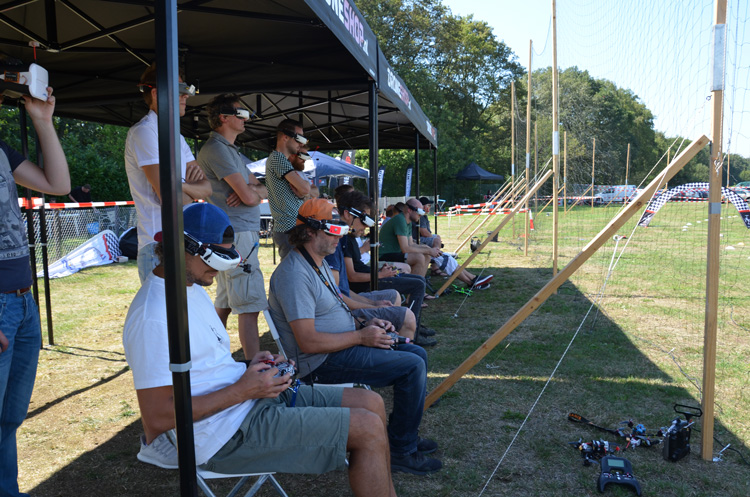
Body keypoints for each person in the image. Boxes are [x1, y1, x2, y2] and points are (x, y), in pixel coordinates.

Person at [124, 203, 397, 497]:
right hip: (223, 436)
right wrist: (244, 390)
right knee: (366, 428)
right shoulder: (154, 315)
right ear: (184, 247)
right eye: (215, 258)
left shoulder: (190, 288)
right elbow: (156, 419)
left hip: (246, 405)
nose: (218, 270)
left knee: (371, 403)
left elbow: (206, 370)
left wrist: (253, 366)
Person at [268, 198, 442, 475]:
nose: (341, 235)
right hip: (320, 361)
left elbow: (338, 301)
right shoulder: (294, 275)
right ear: (310, 232)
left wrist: (367, 318)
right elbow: (308, 342)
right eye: (333, 230)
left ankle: (402, 437)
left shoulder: (316, 262)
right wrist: (362, 337)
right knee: (412, 366)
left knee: (417, 354)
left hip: (342, 345)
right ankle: (401, 450)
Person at [0, 89, 70, 497]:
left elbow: (57, 184)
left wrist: (43, 120)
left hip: (22, 302)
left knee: (8, 420)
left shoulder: (2, 151)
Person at [124, 62, 211, 283]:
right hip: (158, 244)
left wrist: (177, 186)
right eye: (181, 90)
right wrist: (181, 190)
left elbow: (207, 188)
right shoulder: (144, 132)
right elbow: (173, 199)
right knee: (164, 317)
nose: (187, 96)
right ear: (156, 93)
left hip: (182, 242)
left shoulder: (177, 137)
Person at [197, 94, 268, 360]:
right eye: (241, 113)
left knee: (226, 303)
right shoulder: (216, 149)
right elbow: (252, 195)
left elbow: (262, 188)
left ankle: (214, 356)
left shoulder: (230, 150)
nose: (246, 118)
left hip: (235, 233)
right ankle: (254, 365)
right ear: (223, 118)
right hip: (236, 234)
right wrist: (252, 191)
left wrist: (253, 189)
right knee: (248, 305)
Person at [265, 119, 310, 259]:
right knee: (293, 273)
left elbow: (305, 191)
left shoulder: (282, 160)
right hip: (288, 228)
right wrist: (303, 192)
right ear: (285, 137)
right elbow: (305, 189)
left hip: (291, 228)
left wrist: (303, 192)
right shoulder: (277, 158)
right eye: (299, 139)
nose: (301, 144)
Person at [378, 197, 440, 277]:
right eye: (419, 212)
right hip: (384, 255)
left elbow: (410, 244)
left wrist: (428, 249)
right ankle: (413, 286)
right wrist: (429, 250)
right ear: (409, 210)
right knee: (419, 257)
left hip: (395, 253)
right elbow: (405, 248)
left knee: (426, 255)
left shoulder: (408, 221)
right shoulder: (400, 220)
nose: (421, 215)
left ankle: (420, 283)